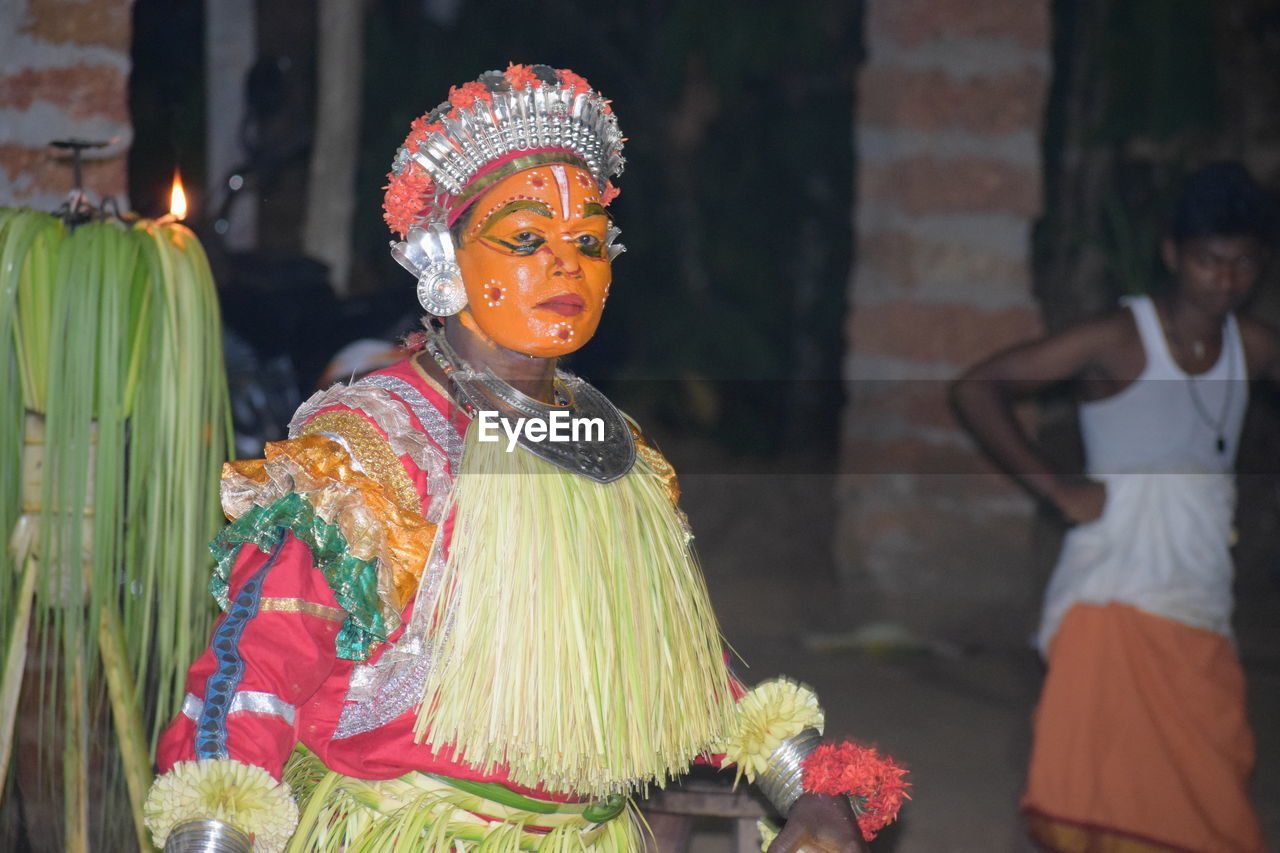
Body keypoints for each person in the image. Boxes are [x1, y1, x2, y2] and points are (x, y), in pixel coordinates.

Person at [141, 65, 906, 853]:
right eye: (527, 239)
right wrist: (212, 833)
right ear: (444, 256)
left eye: (587, 243)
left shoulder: (608, 447)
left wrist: (806, 781)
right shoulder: (376, 441)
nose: (567, 265)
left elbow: (663, 656)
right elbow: (260, 660)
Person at [952, 161, 1278, 852]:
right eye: (1208, 261)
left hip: (1198, 586)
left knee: (1207, 765)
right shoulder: (1119, 337)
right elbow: (980, 386)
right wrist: (1056, 488)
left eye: (1243, 265)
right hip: (1116, 583)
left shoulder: (1252, 347)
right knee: (1099, 776)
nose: (1225, 280)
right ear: (1173, 255)